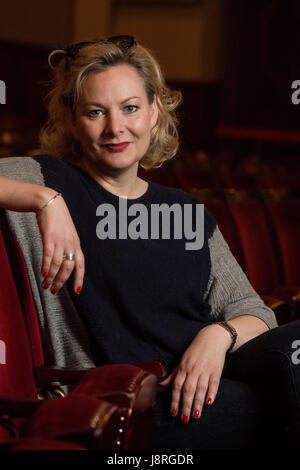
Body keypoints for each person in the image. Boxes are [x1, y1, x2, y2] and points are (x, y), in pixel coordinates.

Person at [0, 35, 299, 450]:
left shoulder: (187, 212)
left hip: (216, 377)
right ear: (72, 120)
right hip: (132, 399)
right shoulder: (46, 179)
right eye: (95, 112)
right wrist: (45, 201)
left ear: (154, 113)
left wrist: (216, 337)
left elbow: (255, 313)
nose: (115, 128)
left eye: (130, 108)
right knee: (280, 411)